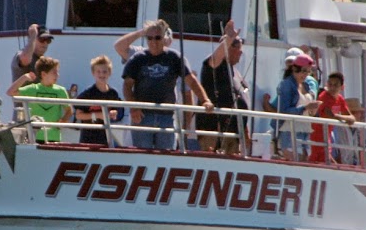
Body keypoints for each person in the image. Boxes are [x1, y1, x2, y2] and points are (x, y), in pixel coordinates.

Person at [122, 19, 214, 150]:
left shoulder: (175, 57)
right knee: (142, 154)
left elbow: (191, 81)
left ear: (164, 37)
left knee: (166, 154)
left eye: (158, 38)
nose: (153, 42)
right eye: (150, 38)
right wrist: (133, 108)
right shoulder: (137, 58)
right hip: (142, 116)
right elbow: (127, 85)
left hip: (167, 117)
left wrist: (205, 100)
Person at [198, 20, 249, 154]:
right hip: (214, 131)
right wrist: (229, 39)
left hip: (234, 133)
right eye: (239, 51)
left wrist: (245, 134)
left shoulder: (236, 72)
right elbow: (216, 57)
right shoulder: (213, 66)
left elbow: (241, 102)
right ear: (229, 48)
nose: (241, 54)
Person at [6, 56, 71, 143]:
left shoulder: (61, 91)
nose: (57, 75)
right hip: (34, 136)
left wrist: (63, 121)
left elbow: (69, 110)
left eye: (57, 72)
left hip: (54, 137)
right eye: (54, 72)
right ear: (44, 74)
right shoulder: (33, 89)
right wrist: (24, 77)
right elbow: (10, 92)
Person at [273, 53, 319, 161]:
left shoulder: (306, 85)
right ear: (294, 68)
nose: (305, 75)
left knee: (304, 160)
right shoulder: (287, 85)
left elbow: (309, 110)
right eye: (303, 71)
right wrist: (305, 107)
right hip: (290, 131)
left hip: (305, 130)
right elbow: (284, 111)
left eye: (308, 72)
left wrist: (313, 109)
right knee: (294, 160)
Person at [74, 54, 125, 146]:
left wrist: (113, 114)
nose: (102, 74)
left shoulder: (113, 93)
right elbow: (78, 115)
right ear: (93, 73)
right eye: (98, 71)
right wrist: (98, 115)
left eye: (104, 72)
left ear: (110, 73)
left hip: (105, 135)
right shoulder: (88, 93)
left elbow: (117, 112)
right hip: (88, 136)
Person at [309, 72, 355, 164]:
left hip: (327, 135)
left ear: (342, 87)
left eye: (336, 85)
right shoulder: (324, 97)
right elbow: (331, 115)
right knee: (319, 161)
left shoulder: (340, 99)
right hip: (316, 134)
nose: (332, 88)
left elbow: (352, 118)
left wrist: (340, 117)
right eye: (330, 84)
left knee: (326, 161)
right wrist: (343, 118)